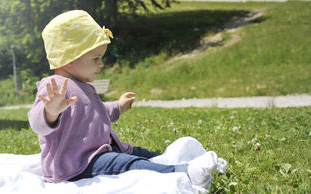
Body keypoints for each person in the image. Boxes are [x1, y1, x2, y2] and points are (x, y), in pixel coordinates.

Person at [28, 10, 219, 190]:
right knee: (129, 164)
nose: (101, 64)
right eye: (96, 58)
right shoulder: (54, 87)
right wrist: (50, 111)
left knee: (141, 153)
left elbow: (96, 113)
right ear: (69, 59)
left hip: (101, 152)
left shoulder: (82, 86)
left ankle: (173, 160)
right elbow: (37, 123)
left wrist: (118, 107)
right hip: (76, 164)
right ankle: (183, 173)